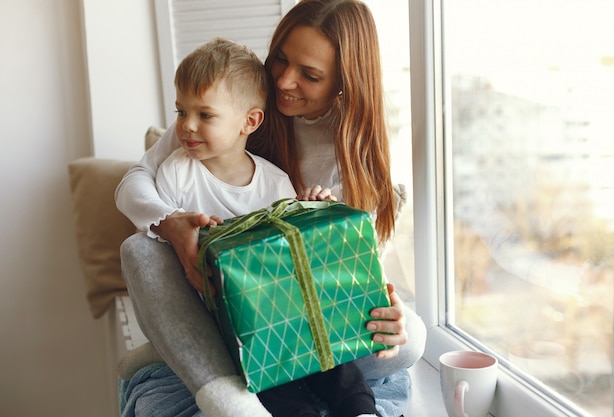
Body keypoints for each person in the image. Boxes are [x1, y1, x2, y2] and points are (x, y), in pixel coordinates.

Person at [116, 1, 427, 416]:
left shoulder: (350, 158)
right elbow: (134, 181)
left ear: (343, 82)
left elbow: (341, 275)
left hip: (285, 309)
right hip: (212, 298)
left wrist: (387, 311)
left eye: (310, 75)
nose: (283, 79)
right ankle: (223, 391)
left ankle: (169, 349)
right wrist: (171, 224)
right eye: (281, 58)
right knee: (138, 249)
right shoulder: (219, 111)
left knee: (414, 340)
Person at [154, 36, 381, 417]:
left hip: (283, 308)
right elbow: (164, 252)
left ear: (250, 121)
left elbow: (297, 256)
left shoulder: (275, 182)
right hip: (228, 319)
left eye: (204, 115)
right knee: (274, 385)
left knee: (337, 365)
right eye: (181, 112)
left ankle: (361, 411)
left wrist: (313, 211)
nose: (187, 126)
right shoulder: (175, 174)